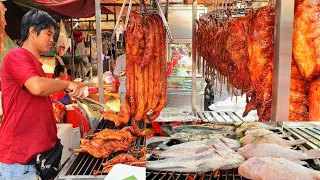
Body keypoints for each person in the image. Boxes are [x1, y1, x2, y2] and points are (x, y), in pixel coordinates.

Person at [0, 10, 83, 180]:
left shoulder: (35, 64)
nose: (52, 40)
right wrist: (66, 83)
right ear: (32, 32)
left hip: (38, 159)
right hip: (20, 163)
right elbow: (37, 87)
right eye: (49, 34)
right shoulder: (16, 56)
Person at [113, 39, 126, 105]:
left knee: (125, 114)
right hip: (140, 91)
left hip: (124, 90)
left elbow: (115, 76)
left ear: (123, 48)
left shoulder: (121, 59)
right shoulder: (142, 59)